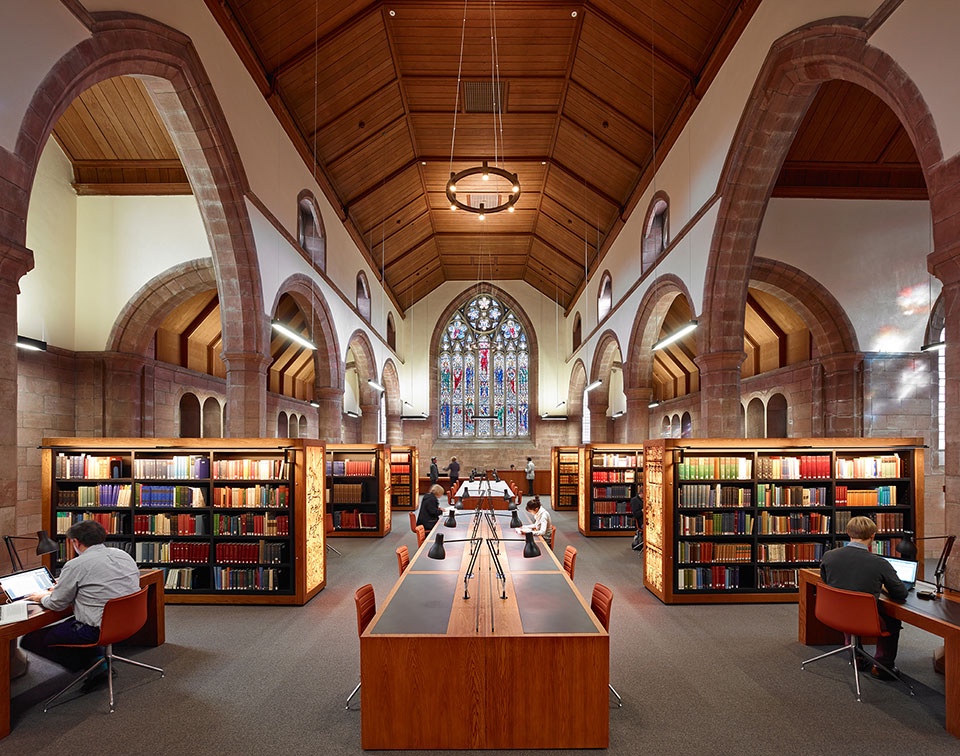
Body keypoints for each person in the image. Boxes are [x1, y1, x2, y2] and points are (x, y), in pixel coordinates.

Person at [22, 520, 140, 688]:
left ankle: (93, 667)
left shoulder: (76, 565)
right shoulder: (122, 554)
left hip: (98, 629)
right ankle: (97, 661)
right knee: (71, 624)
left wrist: (41, 597)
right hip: (130, 620)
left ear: (75, 542)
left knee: (31, 639)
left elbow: (57, 604)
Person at [819, 515, 907, 680]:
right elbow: (901, 594)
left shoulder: (829, 556)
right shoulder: (879, 563)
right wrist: (881, 586)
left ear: (847, 533)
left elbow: (827, 583)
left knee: (849, 605)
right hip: (865, 619)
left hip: (834, 614)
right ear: (873, 536)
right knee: (892, 620)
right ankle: (883, 666)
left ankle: (856, 657)